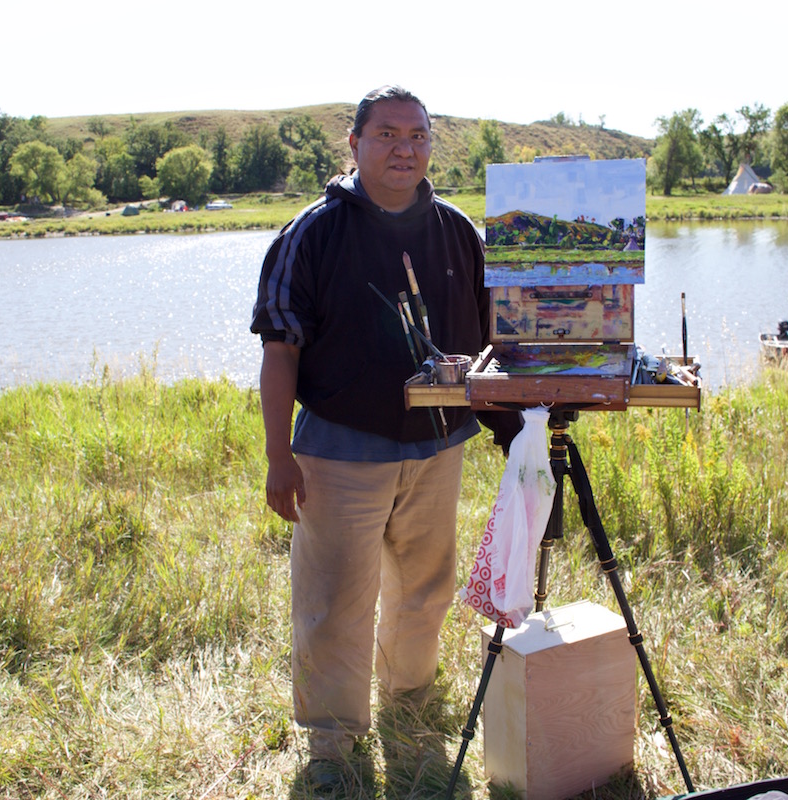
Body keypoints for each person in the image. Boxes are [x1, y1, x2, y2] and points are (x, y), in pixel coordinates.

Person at [250, 85, 491, 782]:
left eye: (416, 135)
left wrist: (518, 424)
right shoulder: (313, 232)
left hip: (437, 447)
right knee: (334, 599)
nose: (404, 148)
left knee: (426, 586)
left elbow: (494, 341)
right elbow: (279, 351)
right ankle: (331, 740)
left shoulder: (457, 232)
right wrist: (278, 456)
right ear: (353, 145)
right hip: (339, 449)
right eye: (386, 134)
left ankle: (409, 700)